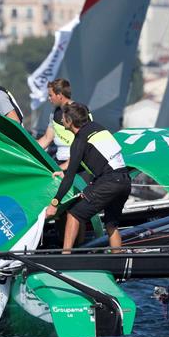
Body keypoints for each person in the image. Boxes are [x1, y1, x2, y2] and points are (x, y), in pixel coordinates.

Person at [45, 102, 132, 252]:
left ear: (70, 121)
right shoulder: (98, 127)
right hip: (124, 180)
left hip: (109, 181)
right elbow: (93, 160)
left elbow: (69, 178)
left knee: (74, 213)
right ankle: (118, 259)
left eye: (64, 118)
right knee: (111, 224)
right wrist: (65, 171)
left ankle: (64, 256)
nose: (61, 121)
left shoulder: (79, 141)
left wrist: (54, 204)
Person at [37, 78, 75, 170]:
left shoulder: (79, 111)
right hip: (59, 161)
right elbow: (47, 138)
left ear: (59, 95)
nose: (49, 98)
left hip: (76, 164)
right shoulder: (54, 113)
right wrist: (25, 148)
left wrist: (69, 164)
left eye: (50, 95)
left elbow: (85, 141)